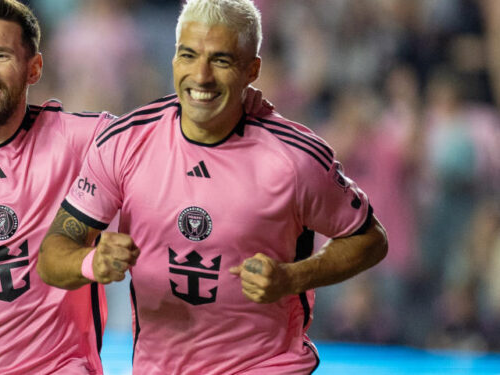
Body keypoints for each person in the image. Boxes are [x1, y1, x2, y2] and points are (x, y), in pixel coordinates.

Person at [0, 1, 270, 374]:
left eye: (1, 55)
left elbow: (165, 136)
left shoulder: (80, 139)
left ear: (33, 67)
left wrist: (228, 105)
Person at [38, 0, 389, 374]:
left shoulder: (296, 158)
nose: (201, 75)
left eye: (220, 60)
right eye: (188, 55)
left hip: (268, 366)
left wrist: (293, 277)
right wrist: (92, 262)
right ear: (174, 61)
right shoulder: (124, 142)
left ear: (251, 69)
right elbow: (52, 257)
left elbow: (370, 239)